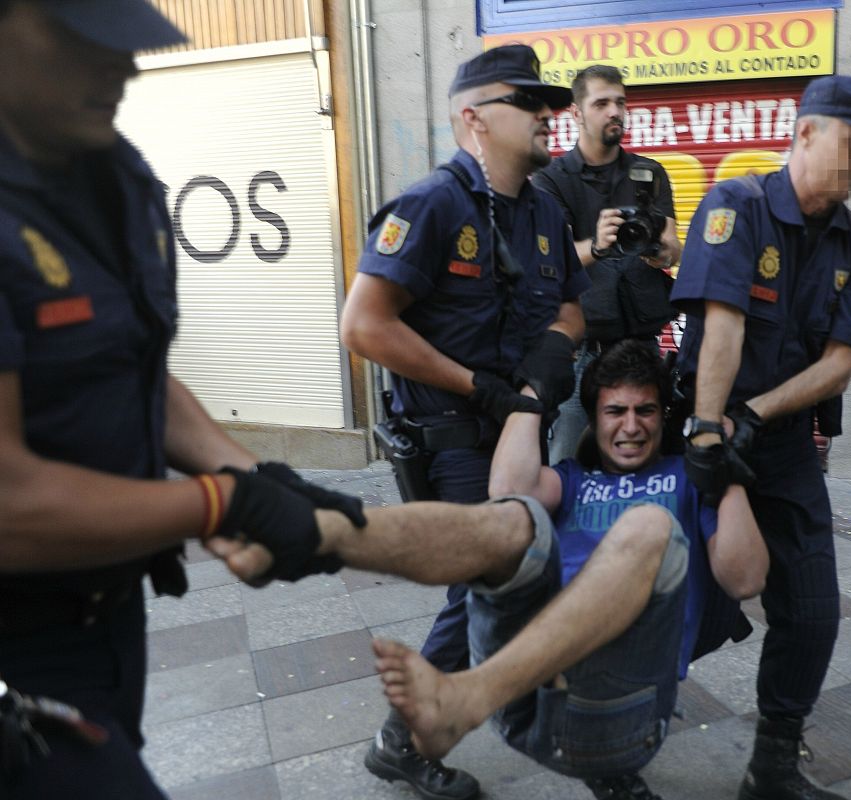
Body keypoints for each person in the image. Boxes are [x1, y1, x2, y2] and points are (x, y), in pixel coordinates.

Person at [0, 3, 366, 798]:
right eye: (85, 38)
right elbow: (7, 503)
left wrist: (260, 476)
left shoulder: (111, 174)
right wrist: (214, 504)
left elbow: (131, 374)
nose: (124, 67)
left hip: (105, 618)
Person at [216, 340, 767, 800]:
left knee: (648, 527)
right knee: (516, 517)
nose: (630, 426)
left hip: (621, 700)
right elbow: (507, 490)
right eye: (614, 411)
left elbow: (744, 580)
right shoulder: (572, 477)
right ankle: (320, 530)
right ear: (594, 418)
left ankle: (466, 698)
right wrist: (531, 398)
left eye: (644, 410)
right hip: (525, 695)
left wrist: (728, 472)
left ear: (661, 417)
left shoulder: (689, 482)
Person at [341, 44, 589, 800]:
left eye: (551, 103)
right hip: (452, 436)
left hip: (519, 430)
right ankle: (402, 737)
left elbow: (572, 306)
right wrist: (477, 388)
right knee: (484, 581)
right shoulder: (432, 205)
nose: (550, 116)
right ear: (473, 118)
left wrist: (546, 365)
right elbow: (364, 324)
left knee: (518, 573)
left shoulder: (544, 207)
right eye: (529, 102)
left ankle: (499, 698)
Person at [670, 74, 851, 800]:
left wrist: (757, 415)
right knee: (668, 605)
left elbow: (838, 365)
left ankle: (771, 768)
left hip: (776, 446)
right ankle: (605, 732)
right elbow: (723, 324)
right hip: (701, 437)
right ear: (804, 132)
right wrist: (712, 430)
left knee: (810, 610)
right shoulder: (736, 205)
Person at [531, 65, 682, 463]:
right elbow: (551, 261)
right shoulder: (551, 179)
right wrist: (596, 245)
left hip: (640, 347)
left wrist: (659, 251)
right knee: (567, 460)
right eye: (601, 103)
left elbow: (672, 248)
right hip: (581, 352)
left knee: (644, 462)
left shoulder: (649, 173)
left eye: (620, 102)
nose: (614, 111)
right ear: (577, 113)